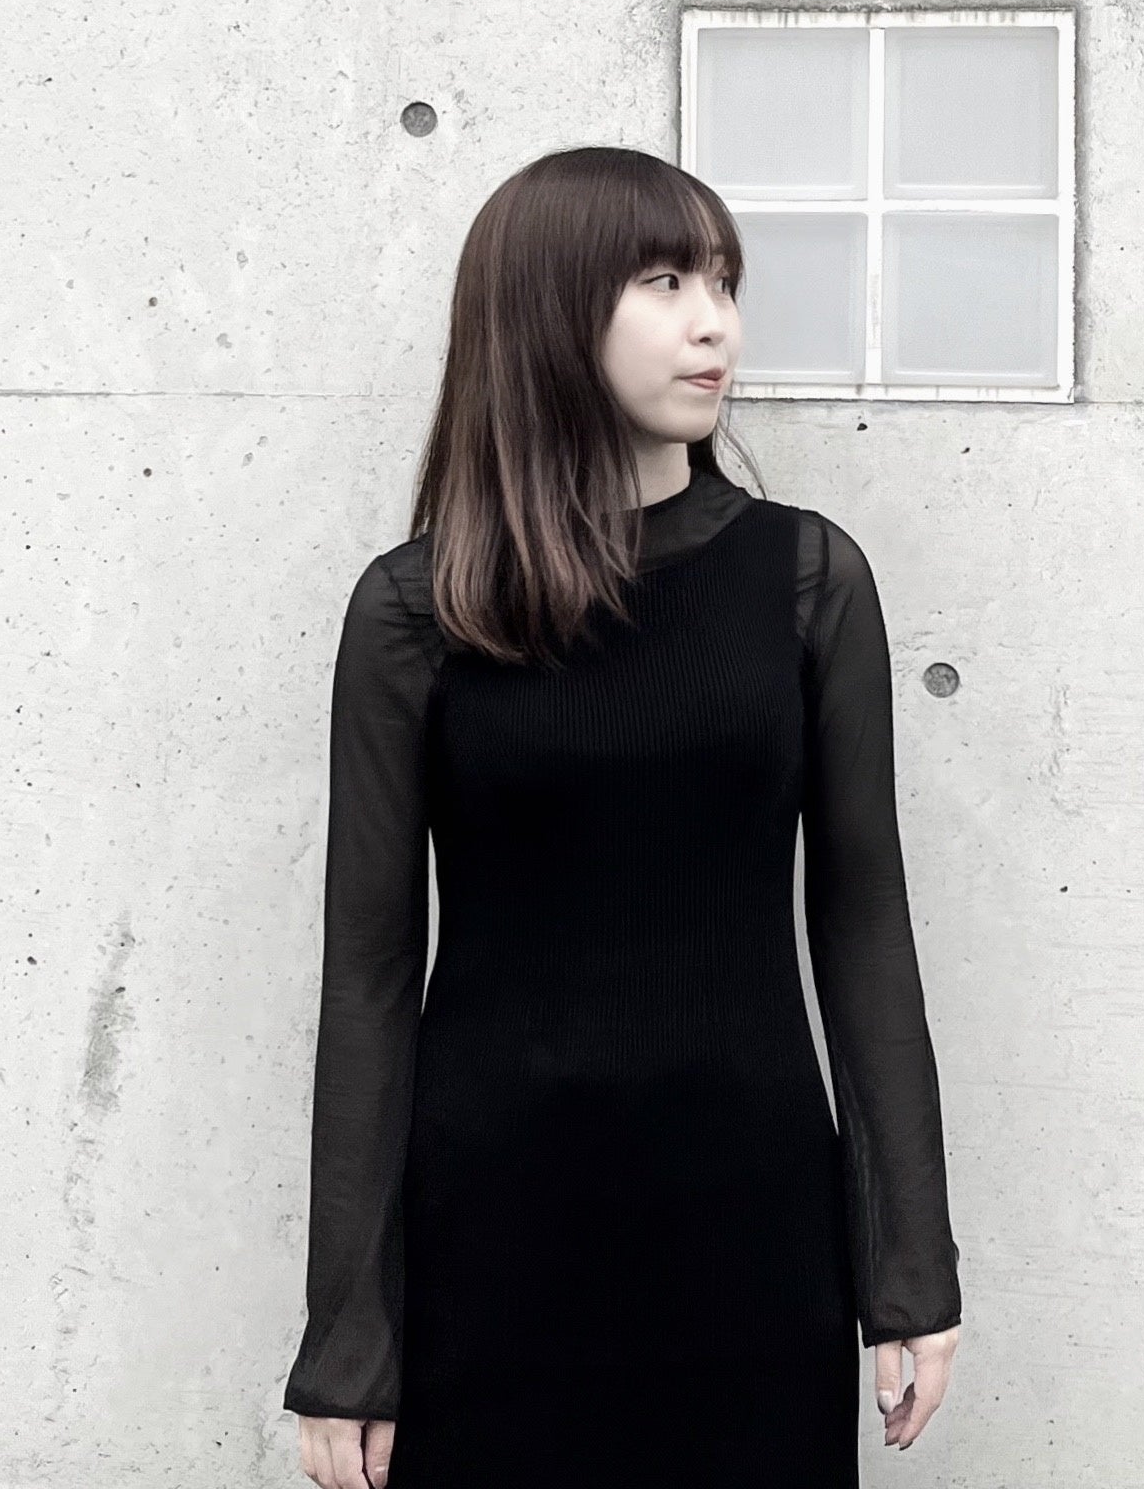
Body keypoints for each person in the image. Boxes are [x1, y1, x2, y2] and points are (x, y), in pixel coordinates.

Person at [283, 145, 964, 1486]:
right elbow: (367, 978)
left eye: (723, 282)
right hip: (492, 1241)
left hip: (753, 1232)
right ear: (548, 311)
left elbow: (864, 928)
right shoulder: (419, 612)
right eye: (665, 282)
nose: (716, 324)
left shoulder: (805, 581)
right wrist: (348, 1338)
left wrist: (909, 1269)